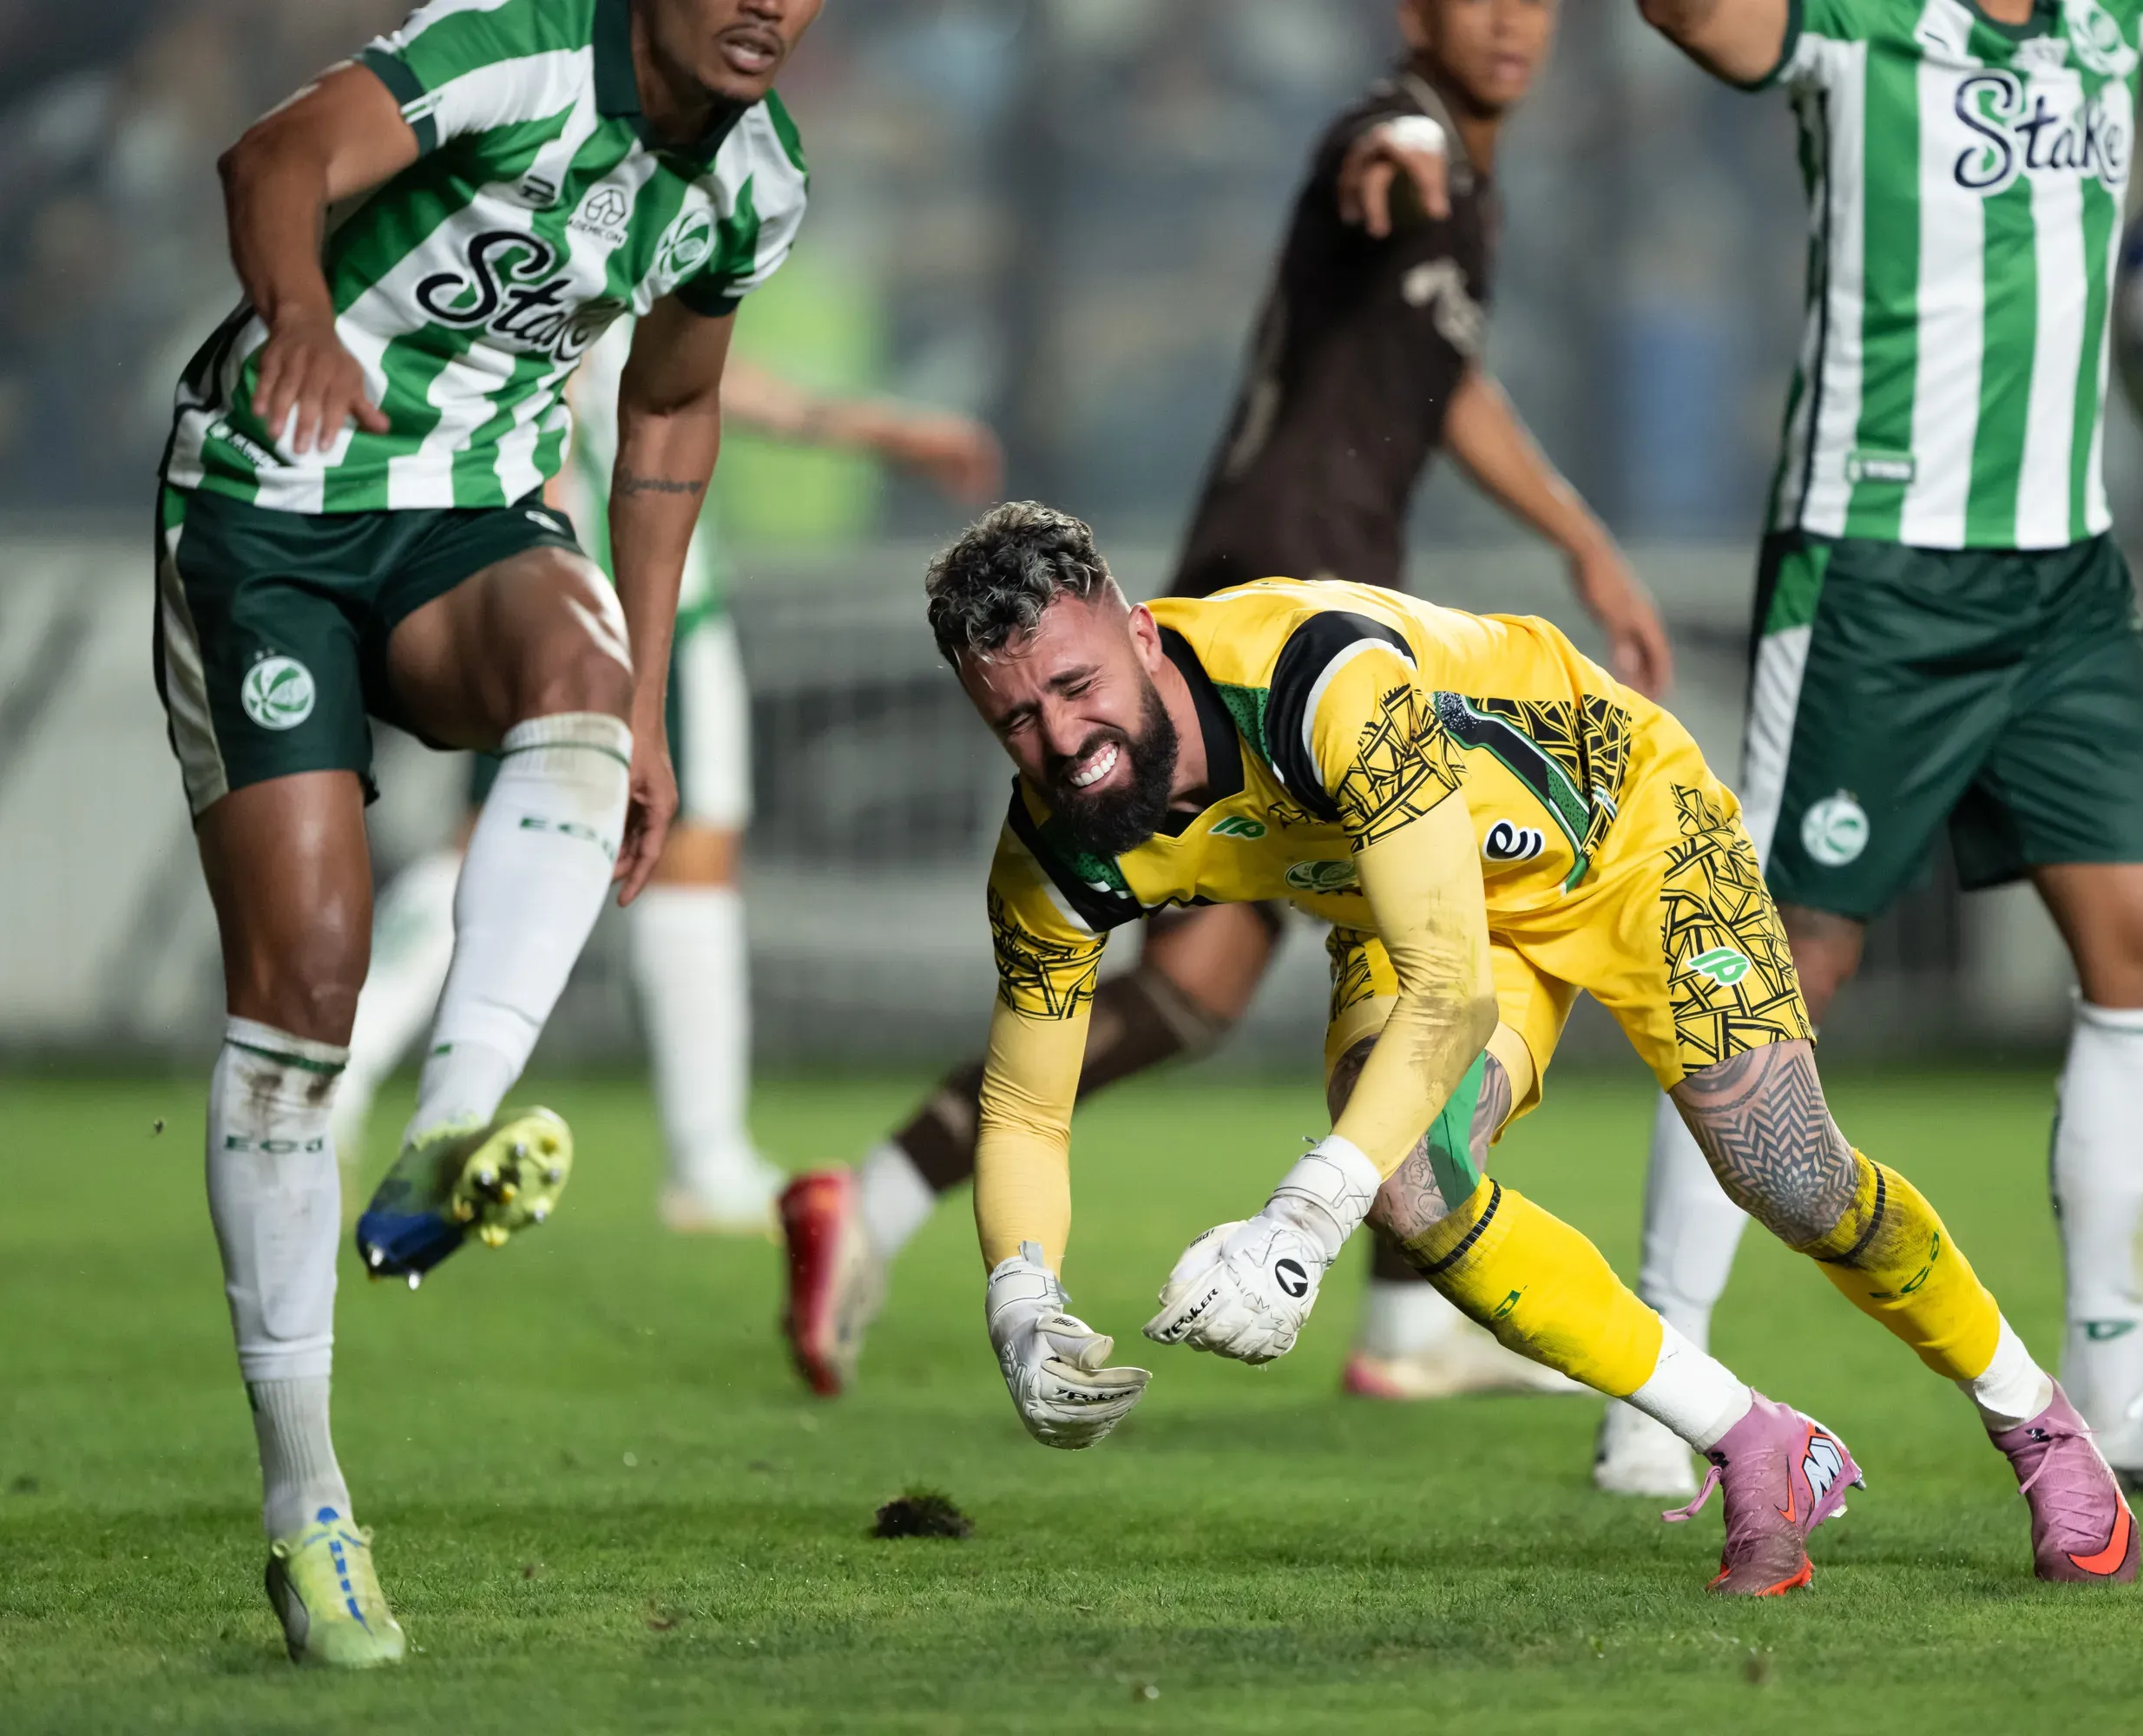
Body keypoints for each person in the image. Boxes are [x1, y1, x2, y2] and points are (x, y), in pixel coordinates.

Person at [927, 502, 2143, 1595]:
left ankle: (2034, 1417)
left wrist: (1300, 1220)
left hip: (1627, 835)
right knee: (1413, 1188)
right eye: (1017, 720)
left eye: (1079, 685)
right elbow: (1028, 1108)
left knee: (1793, 1176)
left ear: (1141, 635)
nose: (1065, 740)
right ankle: (1757, 1440)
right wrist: (1020, 1300)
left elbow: (1449, 990)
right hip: (1414, 900)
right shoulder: (1053, 856)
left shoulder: (1316, 679)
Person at [779, 0, 1673, 1401]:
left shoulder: (1473, 200)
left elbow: (1444, 388)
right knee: (1418, 919)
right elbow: (1385, 149)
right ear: (1411, 16)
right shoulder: (1397, 141)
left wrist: (1580, 534)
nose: (1507, 22)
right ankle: (1402, 1306)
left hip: (1303, 588)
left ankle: (886, 1193)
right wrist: (1400, 143)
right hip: (1281, 610)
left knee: (1217, 987)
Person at [157, 0, 815, 1667]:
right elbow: (276, 156)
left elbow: (667, 416)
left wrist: (653, 700)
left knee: (580, 687)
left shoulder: (756, 183)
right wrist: (297, 315)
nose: (770, 6)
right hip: (266, 515)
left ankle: (453, 1130)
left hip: (472, 515)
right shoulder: (515, 49)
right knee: (302, 995)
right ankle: (308, 1509)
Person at [1598, 0, 2143, 1503]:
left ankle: (2114, 1406)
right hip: (1876, 568)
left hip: (2065, 578)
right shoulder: (1856, 24)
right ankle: (1657, 1385)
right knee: (1780, 956)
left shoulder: (2117, 13)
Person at [328, 319, 1002, 1232]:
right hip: (606, 607)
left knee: (687, 859)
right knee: (506, 847)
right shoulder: (597, 228)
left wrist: (878, 431)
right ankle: (351, 1072)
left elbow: (699, 377)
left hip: (654, 607)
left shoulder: (647, 239)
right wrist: (550, 579)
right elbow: (554, 410)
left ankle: (704, 1151)